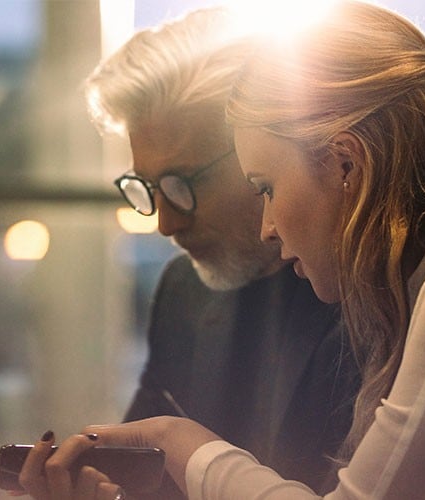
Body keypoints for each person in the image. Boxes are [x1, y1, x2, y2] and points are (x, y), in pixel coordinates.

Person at [16, 1, 425, 498]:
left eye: (264, 184)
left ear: (340, 162)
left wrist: (177, 442)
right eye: (146, 189)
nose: (269, 224)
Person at [82, 6, 358, 498]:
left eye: (181, 183)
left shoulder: (375, 291)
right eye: (147, 188)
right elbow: (145, 483)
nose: (165, 223)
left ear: (257, 150)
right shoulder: (183, 291)